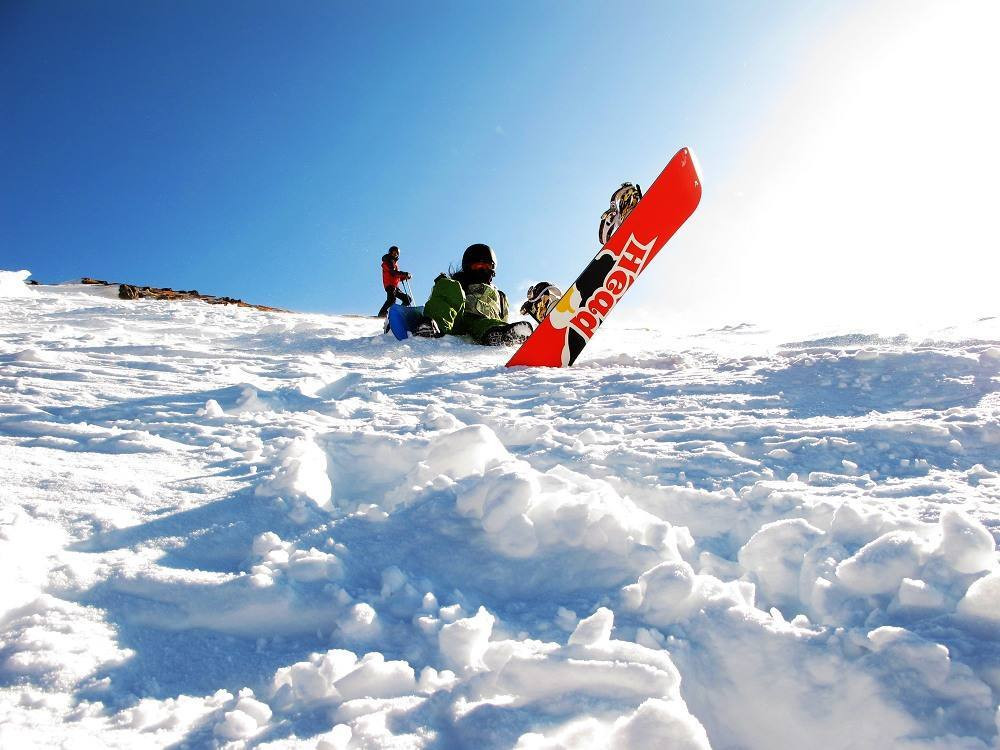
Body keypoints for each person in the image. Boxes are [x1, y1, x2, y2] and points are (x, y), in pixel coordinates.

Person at [415, 243, 533, 346]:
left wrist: (505, 328)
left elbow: (503, 318)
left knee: (484, 323)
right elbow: (443, 299)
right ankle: (431, 326)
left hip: (482, 325)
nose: (483, 268)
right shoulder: (457, 283)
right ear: (468, 267)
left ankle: (501, 335)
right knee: (448, 285)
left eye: (487, 266)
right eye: (478, 265)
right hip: (458, 320)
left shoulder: (500, 296)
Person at [377, 246, 412, 317]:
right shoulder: (388, 261)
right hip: (389, 285)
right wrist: (404, 274)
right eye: (393, 253)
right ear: (390, 253)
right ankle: (382, 314)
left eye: (397, 253)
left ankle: (400, 313)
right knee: (392, 300)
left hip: (395, 286)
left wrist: (403, 277)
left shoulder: (394, 262)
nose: (395, 255)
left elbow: (396, 275)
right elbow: (393, 272)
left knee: (407, 299)